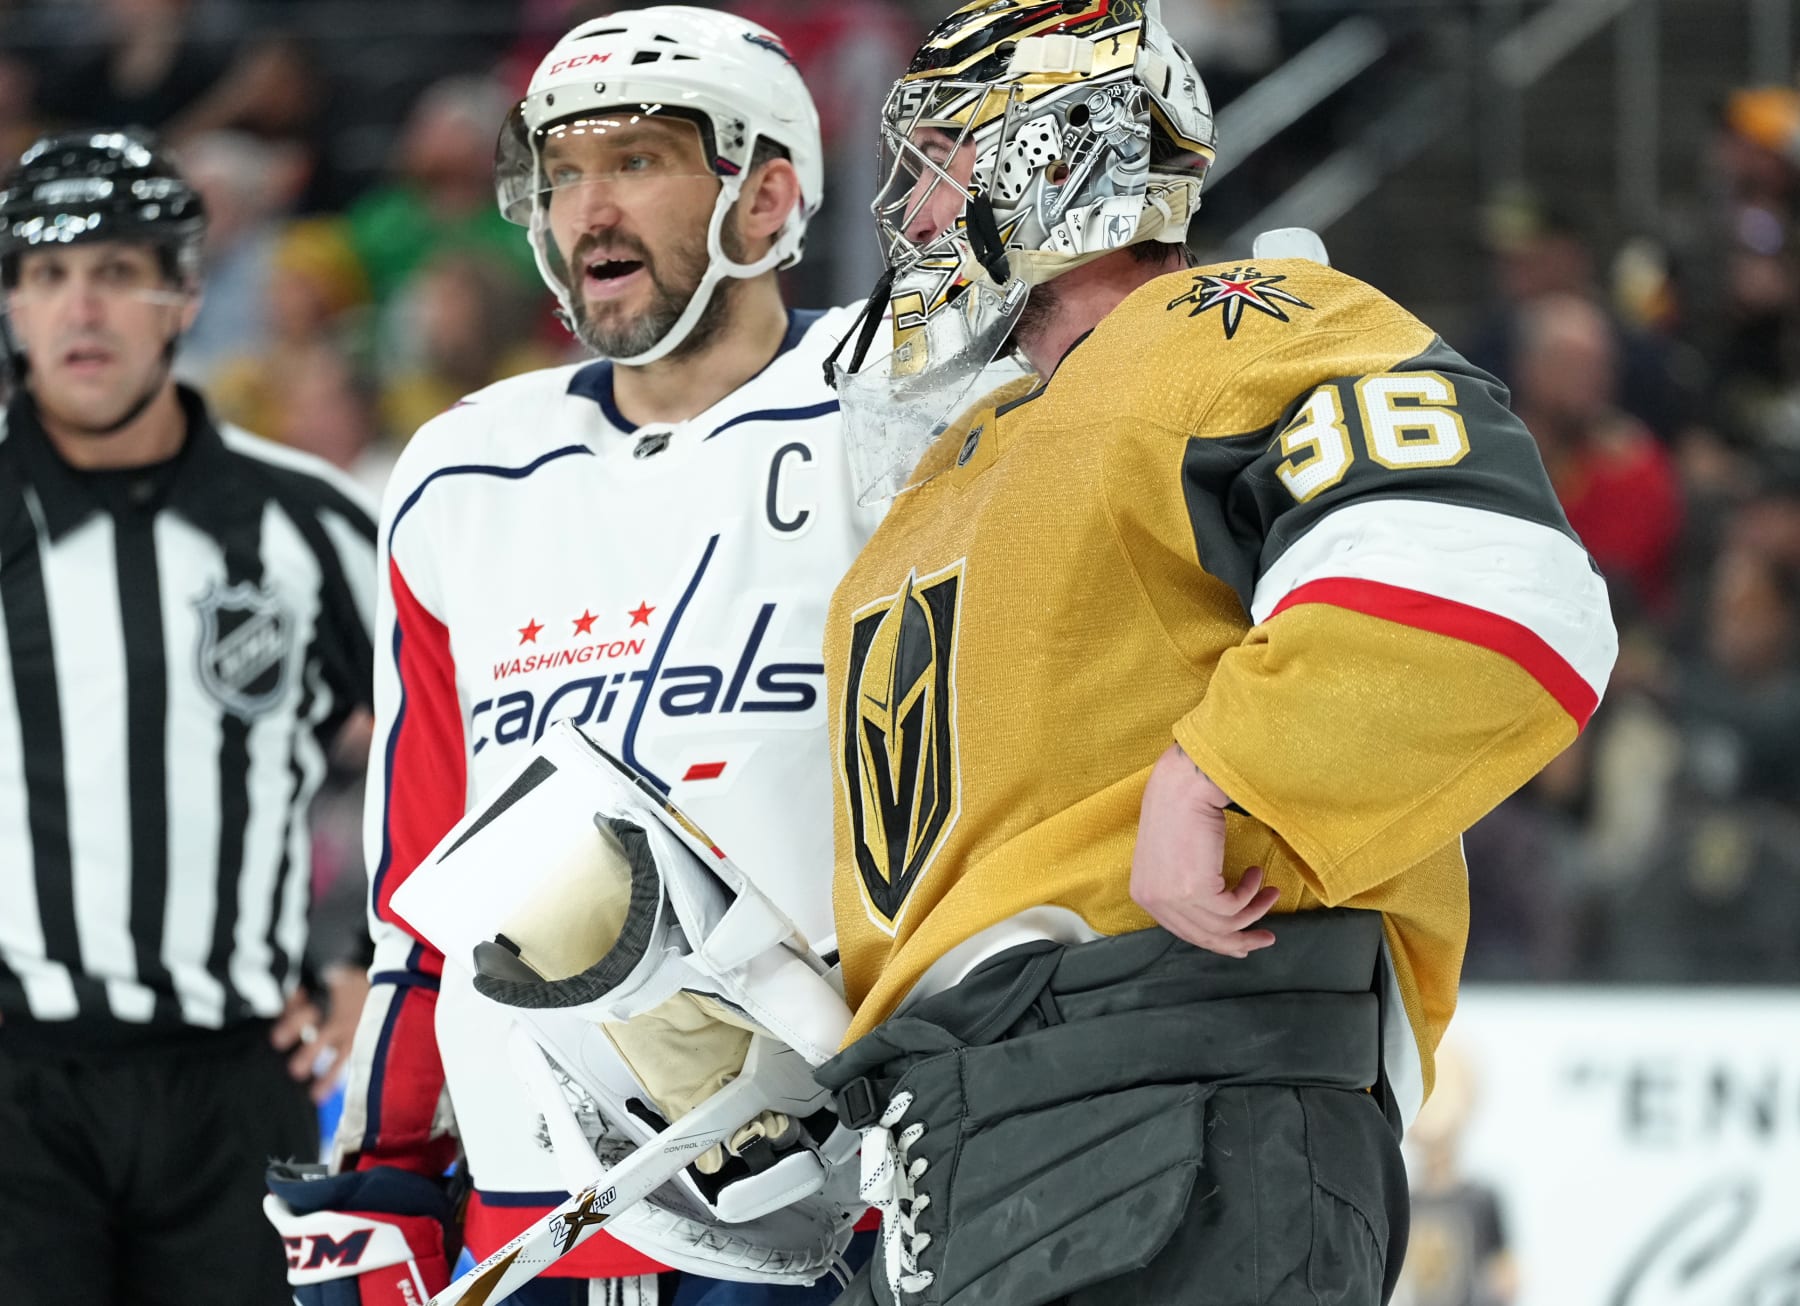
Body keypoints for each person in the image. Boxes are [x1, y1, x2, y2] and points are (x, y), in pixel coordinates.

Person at [815, 2, 1618, 1303]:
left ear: (1056, 163)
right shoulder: (957, 457)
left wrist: (1221, 775)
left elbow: (1498, 579)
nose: (910, 219)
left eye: (947, 166)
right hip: (957, 1144)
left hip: (1173, 1095)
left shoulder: (1225, 323)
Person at [310, 9, 881, 1305]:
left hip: (834, 1191)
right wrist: (384, 1164)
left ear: (769, 190)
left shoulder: (902, 413)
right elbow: (418, 869)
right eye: (562, 174)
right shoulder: (462, 471)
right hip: (536, 1214)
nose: (588, 212)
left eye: (635, 161)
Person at [0, 128, 376, 1305]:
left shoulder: (311, 526)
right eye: (48, 274)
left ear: (185, 298)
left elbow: (458, 744)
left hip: (240, 1078)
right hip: (14, 1086)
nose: (82, 308)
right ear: (12, 303)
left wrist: (372, 959)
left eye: (117, 271)